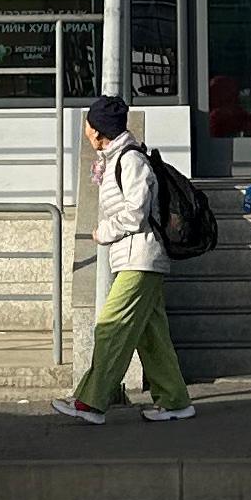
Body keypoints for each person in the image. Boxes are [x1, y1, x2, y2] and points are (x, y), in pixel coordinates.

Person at [54, 97, 194, 424]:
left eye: (88, 123)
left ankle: (91, 402)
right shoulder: (117, 157)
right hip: (137, 257)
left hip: (140, 258)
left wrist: (104, 231)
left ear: (97, 130)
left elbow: (136, 212)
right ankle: (175, 401)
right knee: (152, 336)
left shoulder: (130, 160)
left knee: (110, 327)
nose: (85, 129)